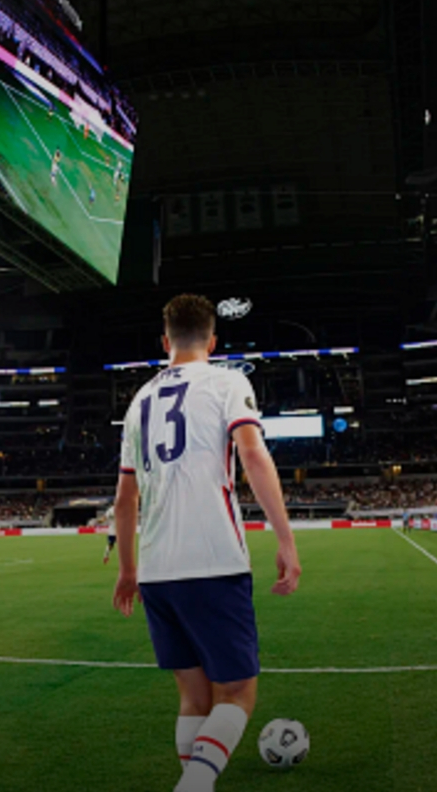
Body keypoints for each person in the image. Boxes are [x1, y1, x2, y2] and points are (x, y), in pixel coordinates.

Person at [112, 294, 302, 792]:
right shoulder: (226, 381)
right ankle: (193, 786)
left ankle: (196, 782)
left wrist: (128, 571)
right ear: (213, 341)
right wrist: (285, 538)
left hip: (155, 569)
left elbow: (124, 498)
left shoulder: (138, 402)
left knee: (193, 699)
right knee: (237, 693)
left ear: (165, 341)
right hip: (212, 558)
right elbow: (253, 454)